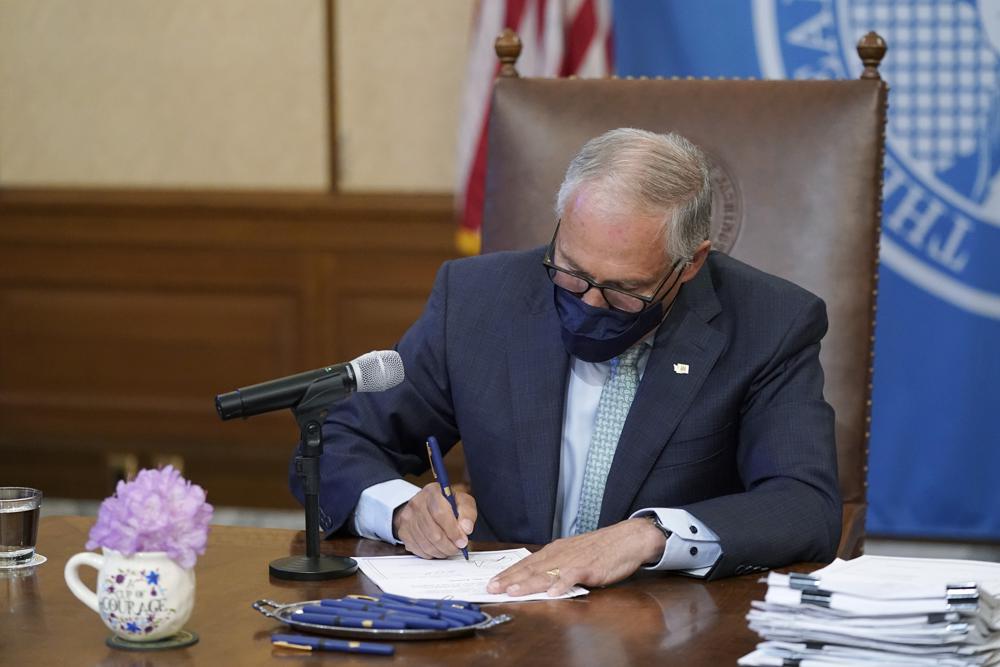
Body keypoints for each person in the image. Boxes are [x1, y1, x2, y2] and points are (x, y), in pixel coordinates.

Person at [290, 128, 841, 596]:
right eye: (572, 273)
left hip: (663, 624)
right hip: (502, 618)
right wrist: (402, 509)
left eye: (625, 290)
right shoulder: (481, 299)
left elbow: (803, 504)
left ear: (691, 261)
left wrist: (649, 536)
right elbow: (339, 442)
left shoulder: (770, 323)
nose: (590, 302)